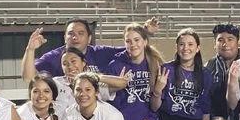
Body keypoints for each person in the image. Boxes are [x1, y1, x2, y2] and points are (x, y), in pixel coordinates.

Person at [151, 28, 213, 120]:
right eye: (182, 44)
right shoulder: (166, 69)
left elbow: (205, 109)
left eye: (190, 44)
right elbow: (154, 107)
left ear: (198, 48)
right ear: (177, 47)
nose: (186, 48)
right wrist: (157, 90)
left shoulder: (205, 74)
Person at [28, 19, 156, 77]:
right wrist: (30, 49)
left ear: (89, 39)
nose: (75, 37)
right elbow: (29, 76)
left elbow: (132, 47)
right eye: (71, 33)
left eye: (80, 33)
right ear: (64, 37)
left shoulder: (101, 53)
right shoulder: (53, 57)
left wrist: (144, 32)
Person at [107, 23, 164, 120]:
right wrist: (116, 87)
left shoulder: (155, 65)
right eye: (128, 41)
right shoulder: (115, 66)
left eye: (136, 40)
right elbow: (109, 101)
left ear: (145, 42)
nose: (132, 44)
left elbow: (159, 100)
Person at [205, 23, 240, 120]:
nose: (225, 44)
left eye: (230, 39)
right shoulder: (209, 67)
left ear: (238, 42)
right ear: (214, 43)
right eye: (220, 40)